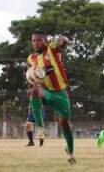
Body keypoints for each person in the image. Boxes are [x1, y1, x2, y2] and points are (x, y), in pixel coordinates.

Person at [28, 31, 76, 164]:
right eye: (33, 41)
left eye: (39, 40)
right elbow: (31, 75)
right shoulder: (31, 58)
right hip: (45, 90)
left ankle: (70, 152)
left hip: (60, 93)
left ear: (46, 41)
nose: (36, 43)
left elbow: (61, 41)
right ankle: (40, 127)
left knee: (64, 124)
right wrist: (30, 86)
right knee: (34, 91)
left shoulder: (52, 48)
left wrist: (63, 40)